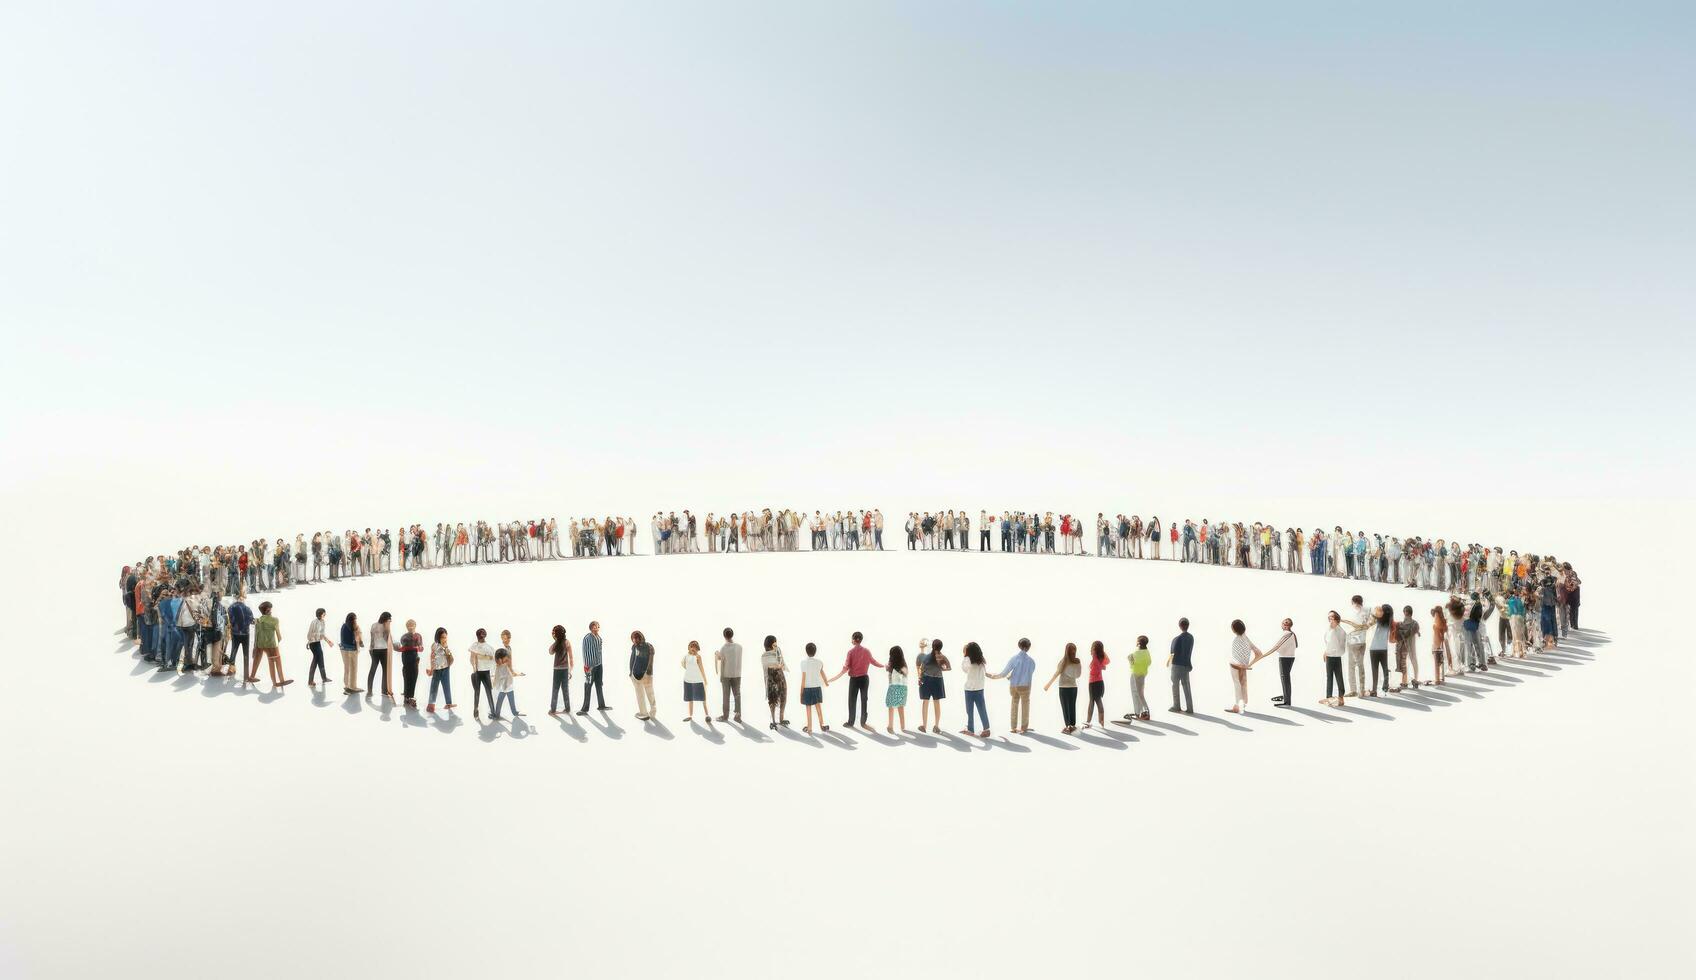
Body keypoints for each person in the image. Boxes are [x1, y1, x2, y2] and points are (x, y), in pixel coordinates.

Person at [829, 631, 884, 731]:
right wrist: (883, 666)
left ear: (854, 640)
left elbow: (846, 667)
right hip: (864, 679)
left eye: (852, 639)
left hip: (854, 680)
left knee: (852, 700)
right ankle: (863, 722)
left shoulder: (850, 652)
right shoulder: (867, 651)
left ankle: (851, 722)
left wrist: (836, 677)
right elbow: (874, 662)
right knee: (864, 699)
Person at [990, 638, 1037, 734]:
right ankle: (1024, 727)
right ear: (1029, 647)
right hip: (1025, 686)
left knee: (1014, 704)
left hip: (1014, 685)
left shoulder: (1014, 658)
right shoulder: (1031, 661)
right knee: (1025, 706)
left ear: (1019, 646)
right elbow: (1029, 674)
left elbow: (1004, 673)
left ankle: (1013, 727)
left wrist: (994, 676)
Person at [1225, 619, 1265, 714]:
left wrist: (1240, 664)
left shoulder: (1236, 640)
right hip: (1243, 666)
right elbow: (1259, 653)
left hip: (1235, 666)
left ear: (1234, 629)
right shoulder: (1246, 638)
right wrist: (1248, 664)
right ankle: (1243, 704)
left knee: (1237, 685)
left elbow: (1235, 657)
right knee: (1243, 684)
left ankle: (1237, 707)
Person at [1043, 643, 1083, 733]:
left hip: (1064, 687)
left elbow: (1056, 674)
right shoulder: (1077, 661)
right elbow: (1078, 675)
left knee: (1065, 707)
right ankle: (1073, 725)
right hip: (1073, 687)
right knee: (1072, 706)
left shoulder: (1064, 661)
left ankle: (1068, 727)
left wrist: (1048, 685)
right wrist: (1072, 673)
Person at [915, 638, 951, 733]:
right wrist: (942, 669)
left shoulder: (927, 657)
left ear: (932, 646)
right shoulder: (942, 657)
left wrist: (919, 679)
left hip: (926, 680)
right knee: (936, 703)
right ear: (941, 647)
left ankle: (924, 725)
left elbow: (921, 669)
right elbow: (949, 667)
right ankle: (936, 726)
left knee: (925, 702)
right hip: (937, 680)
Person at [254, 601, 290, 687]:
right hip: (273, 645)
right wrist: (279, 639)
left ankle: (274, 683)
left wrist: (256, 646)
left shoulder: (258, 620)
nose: (271, 611)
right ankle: (282, 680)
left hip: (263, 645)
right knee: (278, 662)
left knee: (271, 663)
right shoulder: (274, 620)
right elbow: (279, 635)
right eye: (270, 609)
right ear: (268, 610)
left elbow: (257, 634)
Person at [960, 641, 990, 737]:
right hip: (980, 688)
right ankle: (986, 729)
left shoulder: (968, 659)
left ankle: (970, 729)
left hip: (969, 689)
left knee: (970, 711)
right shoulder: (981, 660)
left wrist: (965, 656)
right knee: (982, 709)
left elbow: (964, 669)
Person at [576, 621, 607, 714]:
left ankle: (601, 705)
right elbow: (586, 653)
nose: (596, 628)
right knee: (588, 686)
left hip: (599, 664)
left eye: (597, 627)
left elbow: (599, 651)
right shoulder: (588, 638)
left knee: (599, 684)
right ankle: (584, 709)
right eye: (594, 627)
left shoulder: (598, 637)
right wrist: (587, 667)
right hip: (590, 666)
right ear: (591, 628)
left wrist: (600, 663)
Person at [1264, 620, 1297, 708]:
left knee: (1285, 678)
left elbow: (1278, 646)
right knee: (1286, 678)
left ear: (1285, 625)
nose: (1282, 625)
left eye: (1283, 623)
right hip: (1290, 657)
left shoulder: (1286, 633)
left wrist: (1266, 653)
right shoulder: (1291, 634)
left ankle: (1287, 701)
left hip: (1285, 658)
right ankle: (1286, 697)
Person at [798, 642, 829, 733]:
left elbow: (803, 679)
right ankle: (822, 724)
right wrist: (826, 682)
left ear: (806, 651)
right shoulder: (819, 662)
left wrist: (801, 692)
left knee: (808, 707)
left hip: (807, 688)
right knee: (818, 706)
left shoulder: (803, 663)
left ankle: (810, 727)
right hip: (817, 687)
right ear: (815, 651)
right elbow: (822, 673)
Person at [714, 627, 743, 723]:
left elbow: (720, 659)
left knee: (726, 695)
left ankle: (725, 716)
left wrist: (717, 653)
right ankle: (738, 715)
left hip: (726, 674)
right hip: (737, 673)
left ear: (724, 636)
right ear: (732, 634)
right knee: (737, 694)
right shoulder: (739, 647)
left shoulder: (723, 648)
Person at [761, 635, 789, 730]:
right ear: (770, 644)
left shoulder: (777, 652)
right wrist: (778, 665)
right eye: (774, 643)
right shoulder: (764, 656)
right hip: (771, 678)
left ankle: (781, 718)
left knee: (783, 697)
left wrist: (779, 654)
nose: (776, 645)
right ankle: (773, 721)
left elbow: (781, 664)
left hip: (779, 677)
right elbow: (773, 665)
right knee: (772, 699)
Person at [468, 628, 497, 720]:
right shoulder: (474, 645)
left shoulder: (489, 647)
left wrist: (483, 657)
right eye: (480, 634)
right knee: (477, 692)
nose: (481, 636)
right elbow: (472, 658)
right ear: (477, 636)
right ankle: (476, 711)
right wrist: (474, 668)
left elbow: (492, 659)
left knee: (489, 692)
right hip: (477, 672)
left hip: (486, 672)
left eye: (483, 634)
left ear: (485, 635)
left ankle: (493, 711)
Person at [1122, 635, 1152, 721]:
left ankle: (1142, 712)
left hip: (1135, 674)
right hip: (1142, 674)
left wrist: (1130, 658)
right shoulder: (1147, 652)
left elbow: (1132, 664)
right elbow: (1149, 662)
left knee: (1136, 694)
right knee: (1140, 693)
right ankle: (1140, 712)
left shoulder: (1136, 653)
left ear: (1138, 643)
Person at [1320, 611, 1347, 706]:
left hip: (1335, 656)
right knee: (1330, 677)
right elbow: (1328, 643)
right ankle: (1329, 697)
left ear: (1337, 619)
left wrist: (1328, 652)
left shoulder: (1340, 631)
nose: (1330, 620)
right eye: (1329, 618)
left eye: (1332, 618)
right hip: (1330, 656)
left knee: (1338, 677)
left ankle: (1340, 697)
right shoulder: (1330, 629)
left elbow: (1336, 645)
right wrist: (1325, 652)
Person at [1167, 618, 1194, 714]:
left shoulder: (1176, 639)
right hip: (1186, 665)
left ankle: (1176, 706)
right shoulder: (1191, 637)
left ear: (1180, 626)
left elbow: (1172, 653)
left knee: (1175, 685)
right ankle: (1190, 708)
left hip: (1177, 665)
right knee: (1186, 686)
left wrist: (1168, 662)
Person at [629, 630, 656, 722]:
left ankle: (652, 712)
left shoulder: (648, 646)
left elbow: (650, 660)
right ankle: (644, 713)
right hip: (636, 674)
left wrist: (648, 672)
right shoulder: (634, 647)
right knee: (640, 695)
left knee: (650, 693)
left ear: (641, 637)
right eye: (633, 638)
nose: (635, 640)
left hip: (646, 675)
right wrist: (630, 672)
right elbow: (632, 659)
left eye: (637, 637)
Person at [682, 640, 711, 724]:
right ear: (689, 647)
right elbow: (683, 665)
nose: (693, 648)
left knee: (703, 698)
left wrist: (705, 679)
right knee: (690, 699)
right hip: (687, 680)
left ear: (697, 649)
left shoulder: (698, 657)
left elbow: (702, 668)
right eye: (691, 646)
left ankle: (707, 715)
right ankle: (690, 715)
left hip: (698, 680)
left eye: (694, 647)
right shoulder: (686, 656)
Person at [1367, 604, 1394, 697]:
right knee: (1385, 668)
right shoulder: (1389, 622)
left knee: (1375, 670)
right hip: (1383, 648)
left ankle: (1374, 690)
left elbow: (1372, 615)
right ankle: (1385, 686)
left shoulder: (1378, 620)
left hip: (1374, 648)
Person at [397, 618, 424, 708]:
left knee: (414, 675)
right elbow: (404, 647)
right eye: (409, 625)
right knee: (407, 674)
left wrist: (420, 647)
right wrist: (415, 647)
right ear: (407, 627)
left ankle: (410, 696)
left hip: (415, 656)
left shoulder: (419, 635)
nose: (411, 627)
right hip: (406, 656)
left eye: (412, 625)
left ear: (415, 626)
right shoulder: (404, 636)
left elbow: (420, 646)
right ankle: (407, 696)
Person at [490, 648, 523, 721]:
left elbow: (509, 673)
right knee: (504, 700)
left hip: (507, 687)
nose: (507, 659)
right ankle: (511, 713)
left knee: (505, 700)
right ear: (500, 659)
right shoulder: (500, 667)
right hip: (505, 687)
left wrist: (518, 673)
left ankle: (509, 713)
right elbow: (497, 678)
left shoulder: (504, 666)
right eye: (505, 658)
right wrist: (495, 684)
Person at [368, 611, 394, 700]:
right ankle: (384, 690)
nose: (390, 621)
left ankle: (369, 690)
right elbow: (387, 638)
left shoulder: (373, 625)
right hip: (383, 650)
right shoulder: (385, 626)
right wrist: (388, 628)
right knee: (385, 671)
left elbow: (372, 639)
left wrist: (370, 650)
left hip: (374, 650)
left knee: (373, 670)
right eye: (389, 619)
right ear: (387, 619)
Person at [228, 593, 254, 682]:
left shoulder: (231, 607)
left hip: (235, 633)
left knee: (234, 650)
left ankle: (231, 669)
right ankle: (246, 675)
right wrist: (244, 625)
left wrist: (235, 625)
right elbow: (251, 619)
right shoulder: (247, 608)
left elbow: (230, 619)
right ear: (242, 598)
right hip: (245, 633)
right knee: (245, 654)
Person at [548, 625, 573, 715]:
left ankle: (553, 710)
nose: (553, 634)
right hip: (565, 669)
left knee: (555, 689)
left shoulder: (557, 643)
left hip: (557, 670)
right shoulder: (567, 642)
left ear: (557, 634)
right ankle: (567, 708)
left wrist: (555, 640)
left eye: (554, 632)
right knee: (565, 690)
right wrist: (570, 670)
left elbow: (550, 651)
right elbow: (571, 658)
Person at [884, 645, 910, 733]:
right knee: (900, 706)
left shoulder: (891, 665)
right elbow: (906, 673)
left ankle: (890, 726)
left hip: (893, 686)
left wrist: (889, 669)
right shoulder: (903, 664)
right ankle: (903, 727)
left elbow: (891, 676)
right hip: (903, 687)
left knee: (891, 706)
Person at [1395, 605, 1421, 690]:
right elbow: (1417, 632)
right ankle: (1415, 679)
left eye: (1405, 613)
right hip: (1411, 645)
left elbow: (1399, 632)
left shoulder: (1401, 624)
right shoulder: (1415, 623)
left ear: (1405, 613)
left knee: (1404, 662)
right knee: (1414, 660)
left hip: (1404, 645)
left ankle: (1405, 681)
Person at [305, 607, 330, 687]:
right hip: (313, 643)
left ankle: (324, 678)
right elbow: (309, 635)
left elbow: (322, 634)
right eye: (324, 613)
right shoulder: (314, 622)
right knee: (315, 661)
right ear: (320, 614)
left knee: (321, 659)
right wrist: (310, 641)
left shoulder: (323, 622)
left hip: (318, 642)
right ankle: (310, 681)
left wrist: (328, 641)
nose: (325, 614)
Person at [339, 612, 364, 695]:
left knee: (346, 668)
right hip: (352, 650)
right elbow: (358, 637)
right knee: (353, 669)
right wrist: (361, 642)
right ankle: (352, 687)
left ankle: (346, 686)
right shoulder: (355, 627)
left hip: (343, 649)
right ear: (354, 619)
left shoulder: (343, 626)